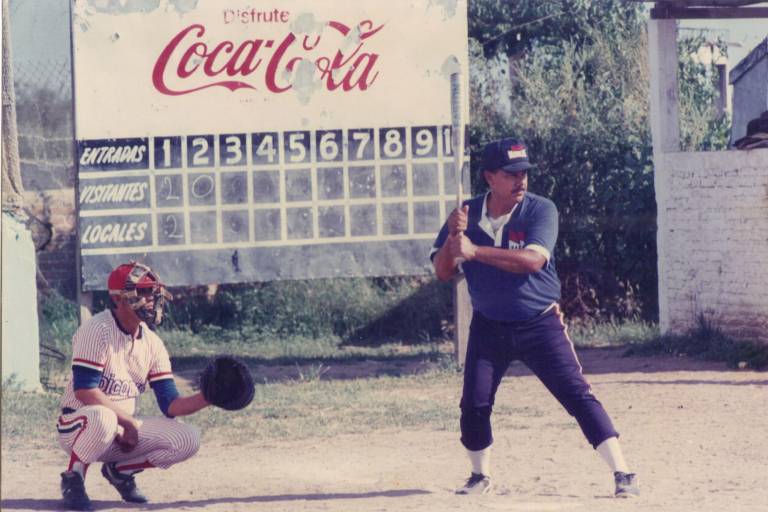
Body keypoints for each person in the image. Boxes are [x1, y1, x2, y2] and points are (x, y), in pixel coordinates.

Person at [431, 138, 639, 498]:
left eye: (524, 173)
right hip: (489, 326)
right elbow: (443, 272)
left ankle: (623, 472)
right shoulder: (465, 216)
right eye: (511, 174)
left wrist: (475, 250)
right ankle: (480, 477)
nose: (521, 180)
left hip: (539, 323)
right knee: (474, 403)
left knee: (577, 394)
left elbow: (532, 261)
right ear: (490, 178)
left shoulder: (541, 210)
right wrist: (453, 240)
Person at [57, 262, 210, 511]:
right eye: (143, 292)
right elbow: (84, 390)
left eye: (153, 292)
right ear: (118, 299)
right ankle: (74, 478)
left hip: (122, 434)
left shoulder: (152, 343)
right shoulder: (97, 329)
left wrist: (208, 397)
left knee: (187, 438)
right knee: (104, 417)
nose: (151, 299)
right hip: (78, 426)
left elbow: (170, 405)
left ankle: (119, 471)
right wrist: (128, 423)